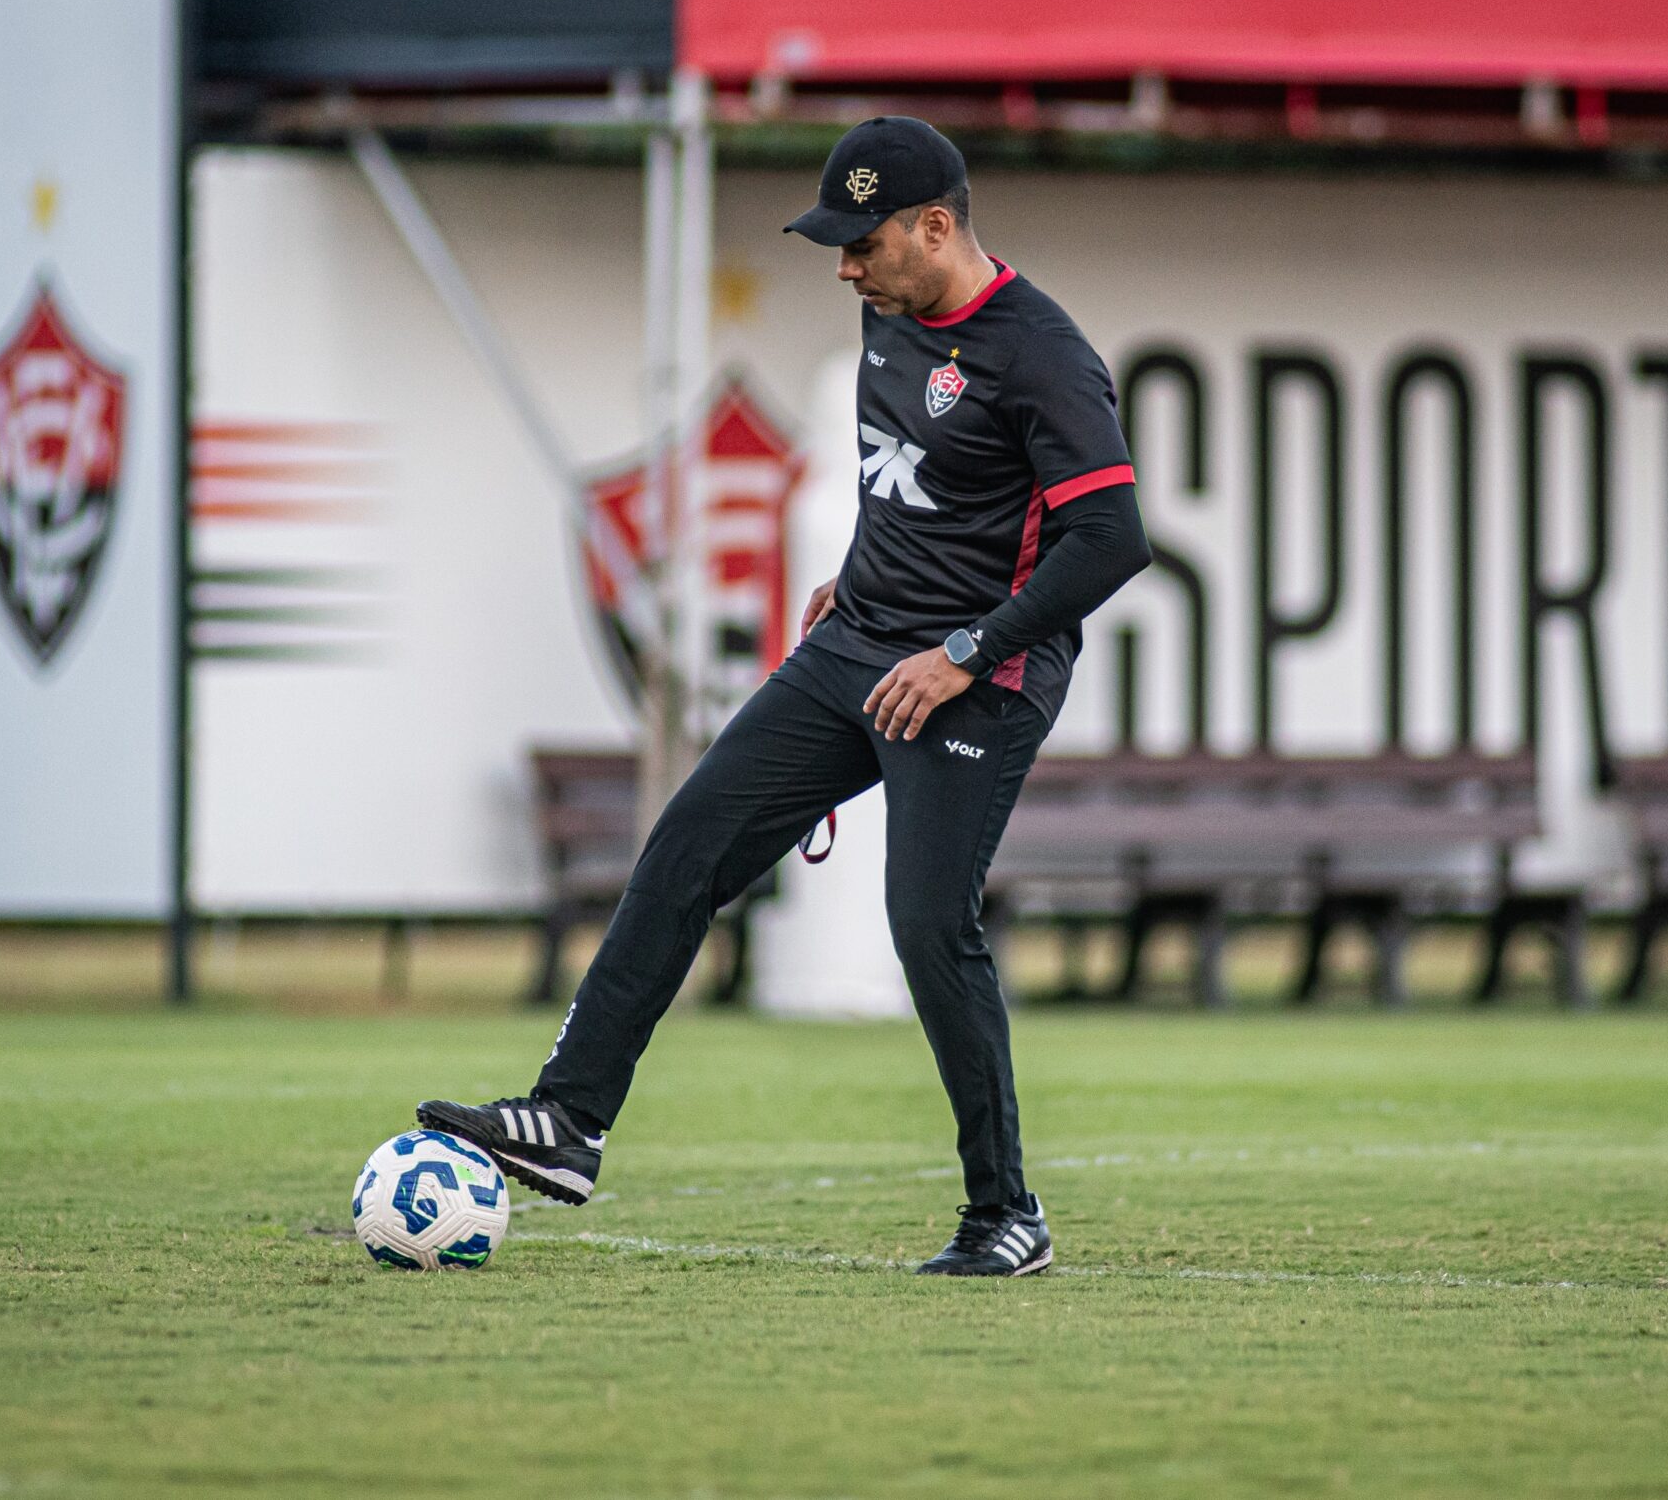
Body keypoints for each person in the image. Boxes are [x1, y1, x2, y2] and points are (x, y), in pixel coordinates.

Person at [418, 117, 1151, 1277]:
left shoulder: (1041, 354)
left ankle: (1007, 1211)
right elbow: (903, 482)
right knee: (688, 845)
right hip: (855, 642)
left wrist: (962, 649)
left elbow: (1109, 539)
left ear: (936, 226)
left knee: (926, 925)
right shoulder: (888, 314)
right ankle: (568, 1120)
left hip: (976, 677)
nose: (846, 267)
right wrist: (855, 579)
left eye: (861, 242)